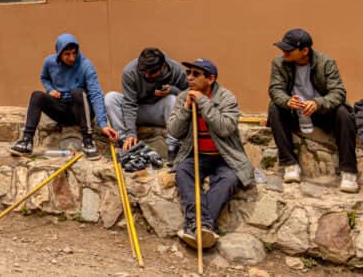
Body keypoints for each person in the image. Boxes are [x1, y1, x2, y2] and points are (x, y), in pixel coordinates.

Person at [168, 58, 253, 250]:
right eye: (188, 72)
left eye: (195, 74)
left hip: (225, 157)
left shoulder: (226, 98)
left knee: (230, 179)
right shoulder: (183, 97)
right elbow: (174, 131)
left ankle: (194, 228)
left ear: (211, 78)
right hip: (197, 155)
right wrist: (187, 108)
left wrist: (204, 103)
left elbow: (225, 128)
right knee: (182, 171)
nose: (189, 77)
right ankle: (203, 227)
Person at [267, 28, 358, 193]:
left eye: (288, 49)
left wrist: (318, 103)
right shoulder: (278, 63)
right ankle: (290, 164)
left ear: (305, 50)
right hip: (295, 112)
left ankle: (349, 172)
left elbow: (338, 92)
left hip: (322, 112)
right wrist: (287, 101)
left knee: (344, 113)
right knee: (274, 108)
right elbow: (275, 90)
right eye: (283, 48)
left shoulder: (326, 63)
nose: (283, 52)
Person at [11, 33, 117, 159]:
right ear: (59, 53)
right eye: (67, 54)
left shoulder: (86, 65)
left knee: (77, 92)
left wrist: (103, 124)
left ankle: (88, 141)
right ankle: (26, 141)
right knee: (36, 96)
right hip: (61, 109)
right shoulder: (49, 62)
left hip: (81, 110)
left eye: (74, 53)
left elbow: (96, 94)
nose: (72, 58)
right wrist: (50, 89)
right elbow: (44, 77)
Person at [105, 47, 187, 164]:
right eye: (143, 72)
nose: (147, 75)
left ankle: (173, 146)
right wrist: (131, 133)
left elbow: (189, 92)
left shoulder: (174, 69)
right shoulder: (130, 72)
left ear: (163, 66)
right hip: (138, 111)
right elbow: (129, 104)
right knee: (110, 98)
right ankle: (125, 145)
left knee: (172, 100)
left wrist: (172, 90)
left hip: (162, 113)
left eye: (152, 72)